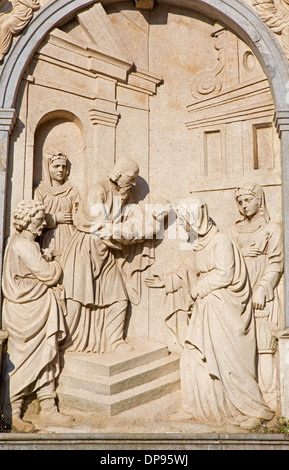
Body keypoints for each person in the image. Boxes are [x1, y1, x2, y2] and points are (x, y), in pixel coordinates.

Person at [145, 198, 275, 429]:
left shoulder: (221, 241)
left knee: (229, 363)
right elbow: (189, 271)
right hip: (205, 310)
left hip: (225, 311)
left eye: (184, 220)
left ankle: (250, 407)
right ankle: (195, 406)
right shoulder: (198, 244)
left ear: (195, 219)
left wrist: (200, 288)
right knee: (192, 357)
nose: (182, 225)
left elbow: (225, 275)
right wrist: (165, 280)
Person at [60, 158, 158, 354]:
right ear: (119, 175)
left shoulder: (124, 195)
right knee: (77, 297)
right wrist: (129, 233)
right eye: (131, 177)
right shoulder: (99, 190)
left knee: (119, 296)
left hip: (106, 252)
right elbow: (101, 225)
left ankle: (114, 340)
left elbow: (133, 216)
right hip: (85, 249)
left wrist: (146, 223)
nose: (134, 183)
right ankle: (66, 339)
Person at [2, 200, 72, 432]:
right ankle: (13, 413)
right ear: (27, 221)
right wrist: (57, 265)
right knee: (20, 362)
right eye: (39, 220)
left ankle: (49, 406)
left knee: (45, 359)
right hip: (26, 312)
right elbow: (48, 275)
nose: (43, 224)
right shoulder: (25, 245)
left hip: (35, 310)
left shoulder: (18, 241)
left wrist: (44, 255)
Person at [231, 182, 283, 405]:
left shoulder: (272, 229)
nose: (244, 205)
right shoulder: (234, 230)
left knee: (264, 348)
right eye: (240, 202)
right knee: (241, 347)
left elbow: (276, 264)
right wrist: (241, 252)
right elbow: (227, 260)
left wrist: (263, 287)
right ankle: (245, 399)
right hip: (238, 295)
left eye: (248, 200)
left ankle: (269, 400)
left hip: (262, 295)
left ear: (259, 200)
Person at [34, 150, 79, 260]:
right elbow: (34, 218)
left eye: (63, 167)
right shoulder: (41, 192)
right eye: (56, 166)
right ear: (48, 168)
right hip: (49, 237)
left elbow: (79, 216)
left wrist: (76, 217)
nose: (60, 170)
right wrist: (54, 218)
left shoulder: (72, 191)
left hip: (70, 236)